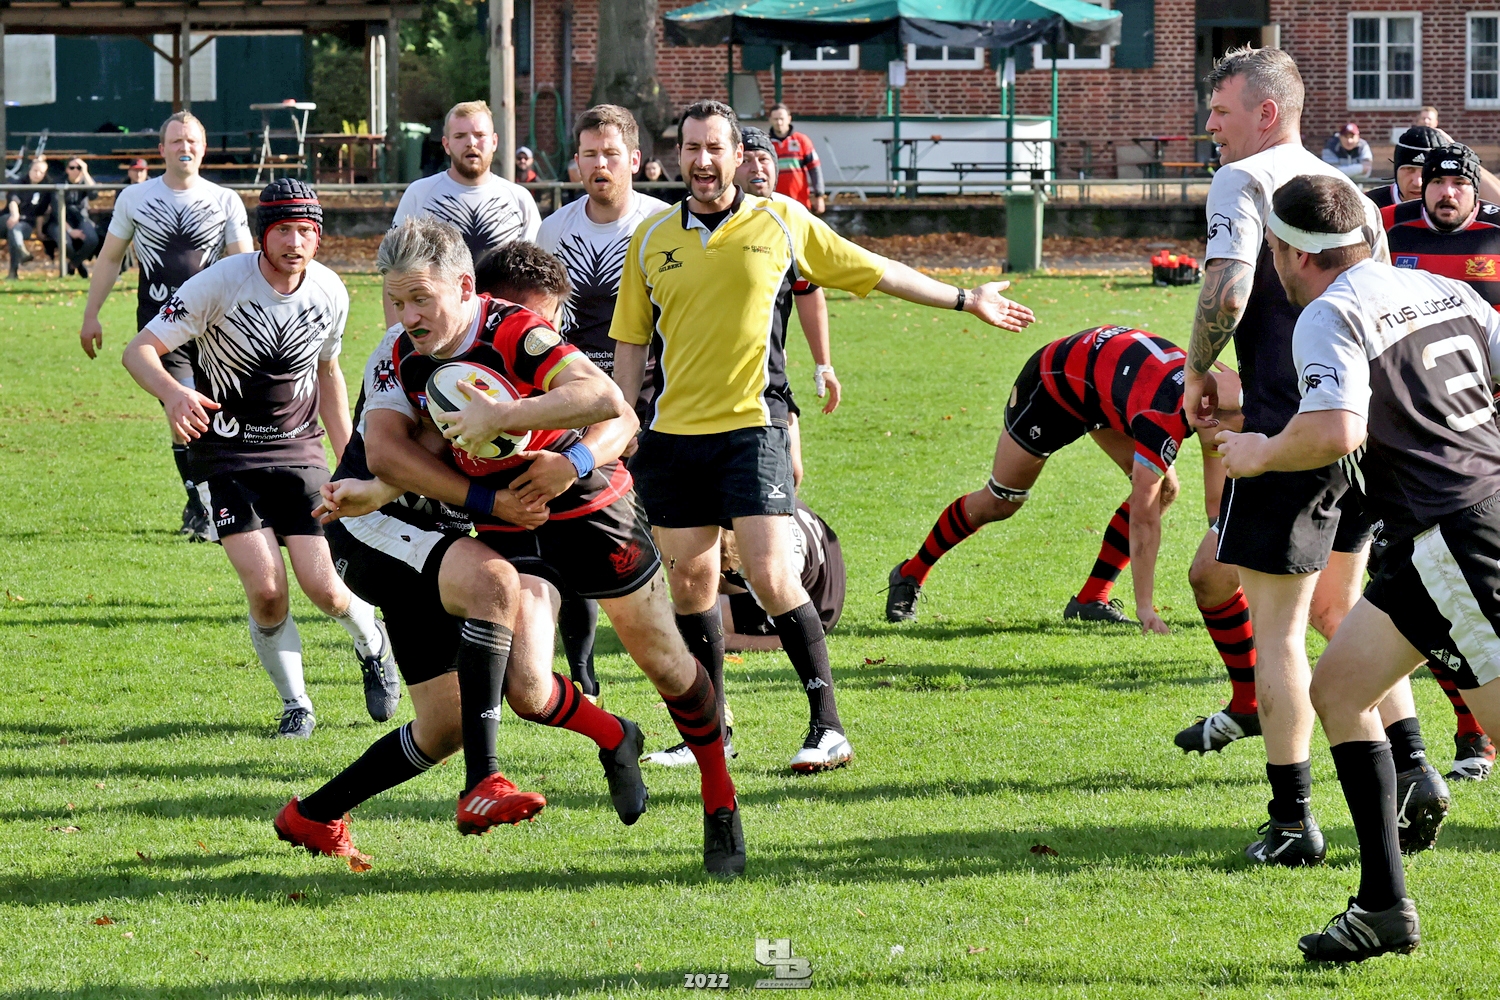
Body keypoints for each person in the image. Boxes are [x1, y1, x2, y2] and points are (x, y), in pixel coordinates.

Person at [610, 100, 1034, 774]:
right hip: (673, 438)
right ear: (678, 155)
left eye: (715, 148)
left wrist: (964, 298)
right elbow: (631, 341)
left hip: (753, 428)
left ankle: (828, 729)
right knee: (690, 587)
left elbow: (876, 269)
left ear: (738, 155)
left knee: (772, 575)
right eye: (691, 148)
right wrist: (623, 423)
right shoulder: (651, 237)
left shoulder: (783, 221)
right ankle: (710, 732)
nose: (702, 161)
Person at [365, 216, 745, 875]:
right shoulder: (408, 354)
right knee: (527, 688)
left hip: (592, 510)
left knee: (666, 665)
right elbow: (429, 445)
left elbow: (603, 398)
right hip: (513, 524)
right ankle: (616, 735)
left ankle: (720, 799)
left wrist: (538, 440)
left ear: (464, 287)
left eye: (421, 298)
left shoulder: (515, 330)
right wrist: (369, 492)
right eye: (397, 300)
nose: (408, 315)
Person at [1215, 173, 1500, 961]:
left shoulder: (1328, 311)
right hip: (1436, 535)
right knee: (1339, 689)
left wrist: (1259, 451)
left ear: (1291, 252)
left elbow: (1335, 432)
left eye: (1271, 250)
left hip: (1454, 535)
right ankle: (1382, 908)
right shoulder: (1440, 287)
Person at [1177, 46, 1448, 867]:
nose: (1209, 125)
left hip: (1288, 435)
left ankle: (1293, 817)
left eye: (1220, 110)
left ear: (1266, 112)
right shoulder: (1351, 193)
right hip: (1361, 432)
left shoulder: (1241, 179)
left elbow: (1228, 287)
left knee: (1281, 632)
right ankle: (1414, 768)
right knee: (1339, 609)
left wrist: (1196, 369)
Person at [119, 179, 399, 739]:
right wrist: (174, 395)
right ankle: (297, 705)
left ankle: (374, 645)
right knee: (268, 592)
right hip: (225, 453)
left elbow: (328, 372)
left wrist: (352, 459)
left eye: (306, 231)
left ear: (318, 236)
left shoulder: (330, 290)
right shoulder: (219, 283)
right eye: (284, 231)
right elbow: (139, 350)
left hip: (299, 449)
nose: (295, 242)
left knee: (326, 588)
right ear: (263, 233)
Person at [888, 325, 1203, 637]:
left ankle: (1091, 599)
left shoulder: (1218, 398)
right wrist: (1145, 606)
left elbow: (1217, 506)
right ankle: (909, 574)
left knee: (1163, 489)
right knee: (1000, 501)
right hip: (1055, 386)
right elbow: (1143, 518)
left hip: (1105, 390)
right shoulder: (1164, 415)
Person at [535, 104, 672, 699]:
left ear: (634, 160)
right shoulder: (553, 230)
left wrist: (640, 408)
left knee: (663, 524)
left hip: (657, 396)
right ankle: (583, 664)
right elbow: (541, 320)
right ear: (576, 162)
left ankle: (674, 639)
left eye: (611, 154)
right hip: (577, 398)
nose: (600, 164)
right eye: (590, 154)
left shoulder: (663, 224)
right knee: (578, 522)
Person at [1382, 142, 1500, 781]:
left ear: (1477, 191)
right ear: (1417, 187)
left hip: (1491, 424)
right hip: (1421, 437)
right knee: (1439, 585)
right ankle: (1471, 735)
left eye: (1459, 184)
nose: (1446, 193)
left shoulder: (1498, 235)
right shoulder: (1388, 231)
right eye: (1435, 183)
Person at [79, 112, 254, 542]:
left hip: (215, 329)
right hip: (160, 329)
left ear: (204, 148)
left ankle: (206, 503)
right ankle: (205, 509)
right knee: (185, 411)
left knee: (217, 416)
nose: (184, 147)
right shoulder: (135, 198)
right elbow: (109, 259)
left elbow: (244, 265)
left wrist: (253, 322)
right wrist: (91, 314)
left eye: (191, 140)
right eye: (176, 141)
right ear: (162, 149)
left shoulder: (224, 200)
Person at [737, 125, 843, 487]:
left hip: (770, 376)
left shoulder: (788, 224)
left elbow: (808, 292)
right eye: (747, 160)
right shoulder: (707, 228)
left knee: (791, 472)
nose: (757, 167)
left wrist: (824, 365)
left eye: (764, 159)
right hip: (714, 383)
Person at [388, 100, 540, 325]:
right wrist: (395, 335)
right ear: (446, 144)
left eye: (480, 135)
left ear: (494, 141)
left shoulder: (519, 199)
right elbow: (394, 270)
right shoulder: (419, 194)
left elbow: (537, 280)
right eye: (460, 136)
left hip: (502, 331)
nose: (471, 143)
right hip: (437, 330)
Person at [1366, 126, 1448, 209]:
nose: (1418, 183)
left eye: (1427, 171)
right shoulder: (1368, 205)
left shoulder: (1452, 209)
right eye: (1409, 169)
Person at [766, 104, 827, 214]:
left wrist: (819, 195)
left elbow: (814, 168)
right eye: (775, 119)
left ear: (789, 119)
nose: (779, 122)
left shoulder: (802, 140)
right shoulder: (766, 143)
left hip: (800, 202)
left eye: (782, 119)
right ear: (770, 120)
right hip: (774, 203)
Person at [49, 158, 99, 278]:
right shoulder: (59, 183)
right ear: (67, 170)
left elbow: (94, 195)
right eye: (72, 168)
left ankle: (72, 264)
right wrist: (70, 230)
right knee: (65, 243)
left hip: (81, 219)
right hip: (60, 221)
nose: (76, 170)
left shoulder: (85, 181)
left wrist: (85, 172)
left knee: (92, 239)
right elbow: (57, 211)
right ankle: (79, 265)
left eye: (79, 168)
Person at [7, 156, 52, 279]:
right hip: (9, 218)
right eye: (35, 170)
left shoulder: (46, 189)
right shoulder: (19, 183)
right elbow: (13, 200)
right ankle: (22, 253)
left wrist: (39, 231)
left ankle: (14, 271)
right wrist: (15, 215)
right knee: (12, 225)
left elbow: (40, 214)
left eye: (41, 172)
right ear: (29, 170)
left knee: (14, 230)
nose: (37, 174)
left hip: (26, 224)